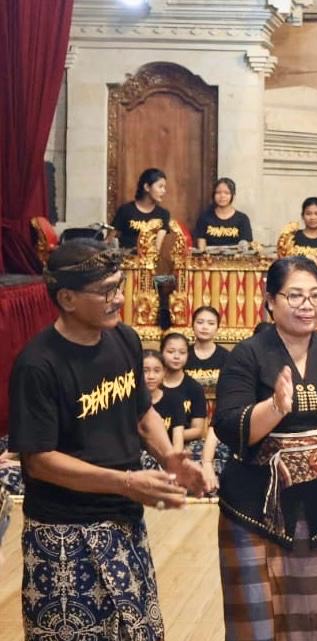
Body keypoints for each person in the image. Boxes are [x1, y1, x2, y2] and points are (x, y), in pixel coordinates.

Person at [8, 239, 205, 640]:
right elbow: (40, 461)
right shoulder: (38, 364)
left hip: (124, 523)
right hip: (63, 533)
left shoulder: (124, 340)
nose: (119, 298)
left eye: (120, 286)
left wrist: (169, 457)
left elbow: (140, 411)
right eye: (106, 291)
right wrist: (128, 482)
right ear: (66, 298)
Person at [213, 256, 317, 641]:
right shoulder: (248, 353)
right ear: (270, 300)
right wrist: (275, 408)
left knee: (312, 621)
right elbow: (227, 424)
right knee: (253, 625)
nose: (307, 305)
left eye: (315, 296)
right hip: (253, 507)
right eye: (295, 296)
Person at [186, 306, 231, 490]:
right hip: (188, 422)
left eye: (211, 323)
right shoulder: (182, 355)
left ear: (217, 328)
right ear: (192, 325)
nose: (205, 327)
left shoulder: (227, 358)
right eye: (200, 322)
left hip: (218, 422)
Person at [161, 332, 209, 448]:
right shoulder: (152, 385)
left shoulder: (194, 388)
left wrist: (172, 436)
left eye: (182, 352)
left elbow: (197, 430)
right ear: (161, 352)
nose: (176, 356)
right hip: (152, 444)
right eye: (171, 352)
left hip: (185, 442)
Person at [111, 167, 170, 250]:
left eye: (164, 187)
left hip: (150, 260)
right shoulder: (126, 210)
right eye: (160, 187)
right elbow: (110, 240)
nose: (164, 191)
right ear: (147, 187)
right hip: (126, 259)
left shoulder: (163, 214)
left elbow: (158, 247)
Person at [144, 349, 186, 453]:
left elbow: (178, 441)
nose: (151, 376)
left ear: (164, 372)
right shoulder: (130, 401)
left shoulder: (175, 399)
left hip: (167, 454)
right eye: (145, 371)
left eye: (157, 371)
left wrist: (174, 463)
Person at [193, 177, 253, 249]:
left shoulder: (242, 219)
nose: (222, 196)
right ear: (213, 195)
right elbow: (201, 247)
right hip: (210, 259)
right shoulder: (204, 218)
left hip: (236, 259)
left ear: (233, 196)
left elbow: (246, 246)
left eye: (226, 193)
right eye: (218, 192)